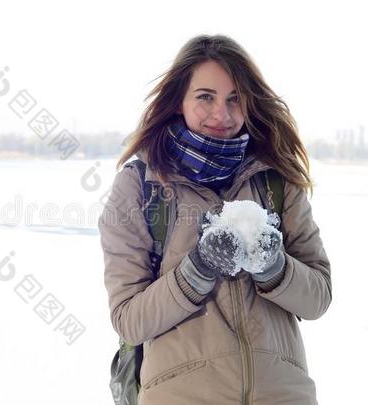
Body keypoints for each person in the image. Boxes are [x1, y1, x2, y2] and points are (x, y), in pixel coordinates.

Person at [98, 34, 332, 405]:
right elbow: (129, 319)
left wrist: (273, 267)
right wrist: (198, 268)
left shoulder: (275, 180)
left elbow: (318, 298)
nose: (221, 114)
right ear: (179, 101)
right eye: (205, 97)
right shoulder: (140, 187)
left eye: (235, 99)